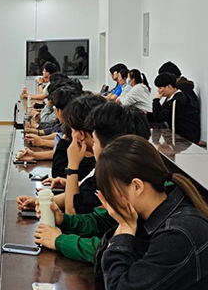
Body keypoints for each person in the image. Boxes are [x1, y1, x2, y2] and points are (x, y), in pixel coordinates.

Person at [94, 136, 208, 290]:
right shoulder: (150, 216)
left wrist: (124, 232)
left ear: (136, 187)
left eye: (109, 191)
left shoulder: (179, 233)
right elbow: (102, 273)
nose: (107, 200)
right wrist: (123, 227)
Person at [31, 103, 151, 264]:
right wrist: (64, 221)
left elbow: (112, 250)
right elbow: (102, 220)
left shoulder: (131, 185)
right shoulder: (127, 174)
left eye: (94, 141)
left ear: (113, 147)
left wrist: (60, 240)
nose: (93, 147)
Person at [153, 72, 201, 144]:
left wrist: (156, 100)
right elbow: (160, 114)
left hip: (185, 139)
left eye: (160, 88)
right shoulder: (175, 97)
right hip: (181, 137)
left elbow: (159, 117)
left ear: (169, 86)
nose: (158, 91)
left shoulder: (177, 101)